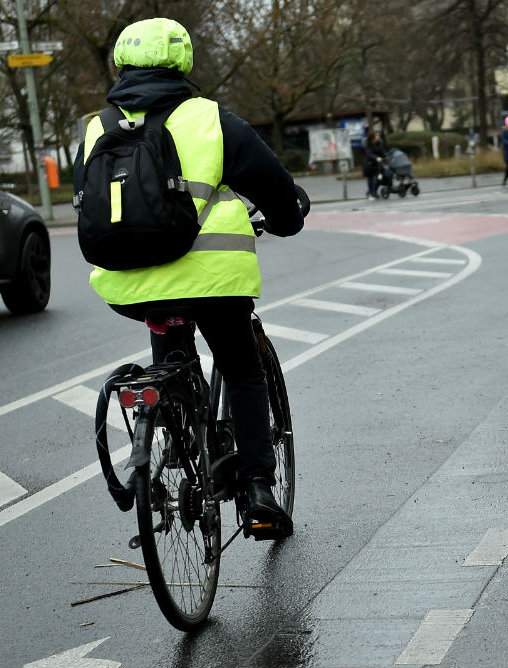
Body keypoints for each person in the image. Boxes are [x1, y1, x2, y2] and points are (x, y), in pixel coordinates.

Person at [73, 17, 303, 538]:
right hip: (214, 284)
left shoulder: (96, 127)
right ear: (183, 61)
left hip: (128, 283)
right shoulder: (210, 120)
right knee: (241, 369)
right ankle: (260, 491)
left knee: (171, 349)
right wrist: (288, 218)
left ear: (122, 63)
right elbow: (271, 184)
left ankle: (175, 436)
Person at [363, 130, 386, 200]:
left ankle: (373, 191)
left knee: (380, 177)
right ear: (372, 138)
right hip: (369, 164)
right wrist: (376, 158)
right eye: (376, 136)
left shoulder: (379, 143)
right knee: (370, 177)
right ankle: (371, 192)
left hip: (377, 164)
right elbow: (369, 153)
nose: (378, 137)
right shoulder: (368, 144)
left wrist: (388, 157)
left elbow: (382, 151)